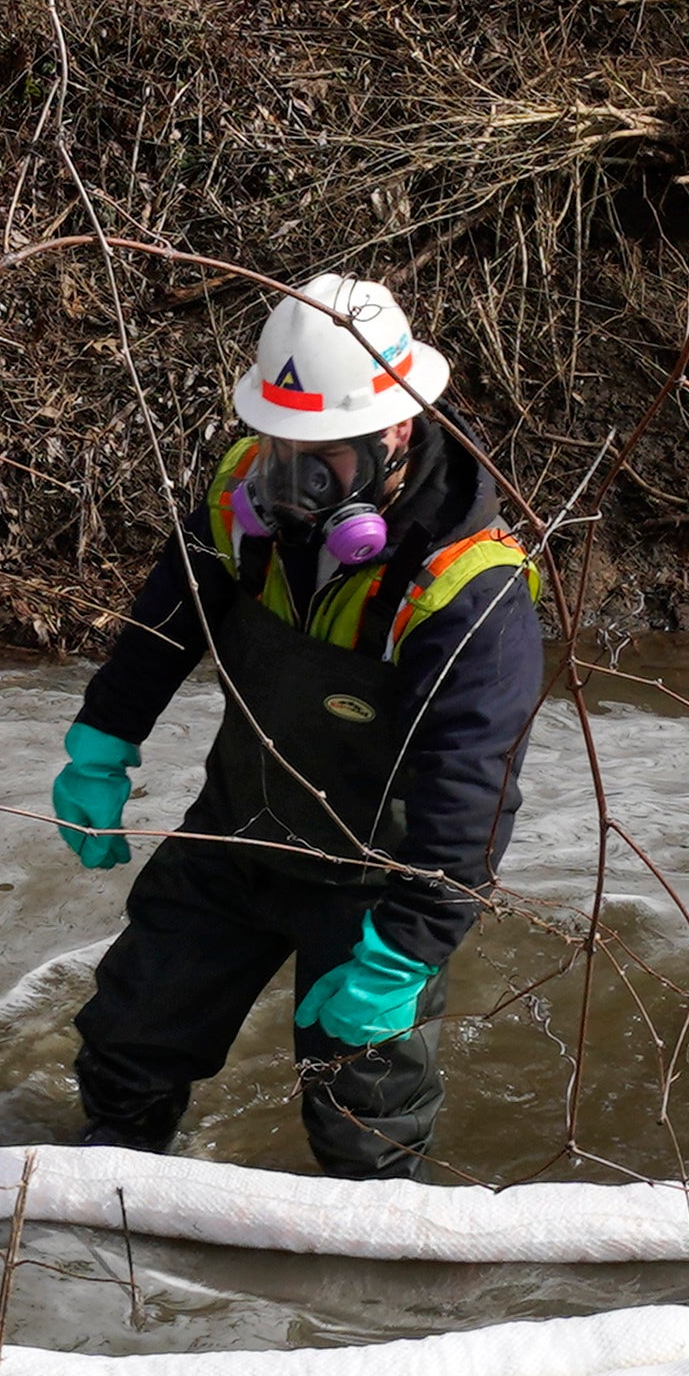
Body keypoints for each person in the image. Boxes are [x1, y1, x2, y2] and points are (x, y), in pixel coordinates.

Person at [43, 276, 541, 1179]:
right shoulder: (247, 500)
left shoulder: (471, 589)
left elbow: (471, 789)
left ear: (396, 429)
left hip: (369, 880)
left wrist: (407, 947)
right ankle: (104, 1224)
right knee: (127, 1042)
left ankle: (365, 1297)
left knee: (365, 1122)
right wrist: (102, 743)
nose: (292, 473)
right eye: (278, 442)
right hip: (235, 832)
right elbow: (164, 625)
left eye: (324, 451)